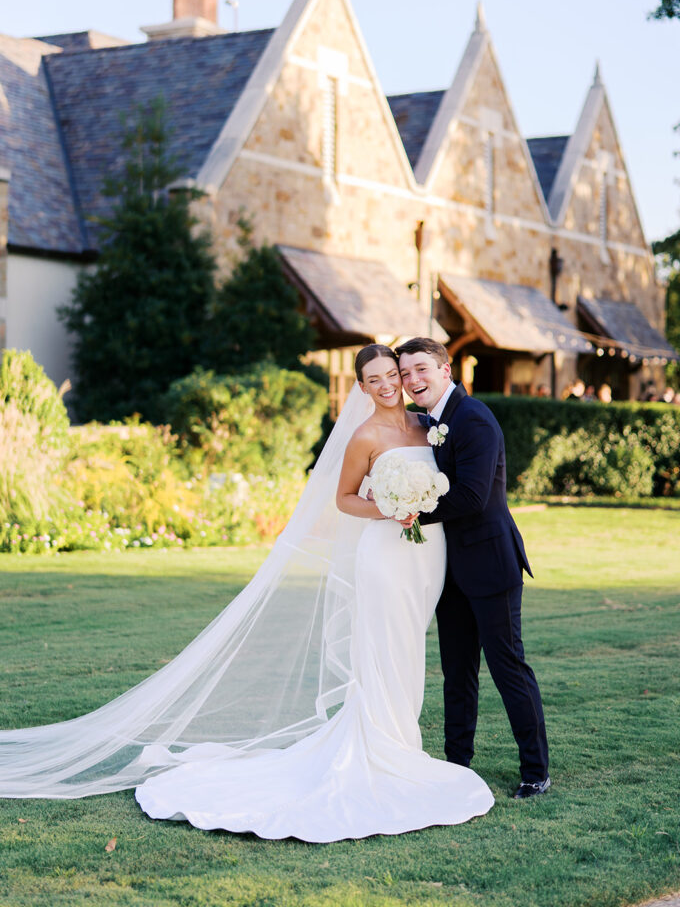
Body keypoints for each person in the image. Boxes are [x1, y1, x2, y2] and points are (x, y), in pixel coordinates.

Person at [0, 344, 493, 842]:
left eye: (393, 374)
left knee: (409, 649)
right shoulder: (365, 434)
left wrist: (416, 504)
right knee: (386, 649)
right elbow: (344, 499)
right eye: (376, 378)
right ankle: (388, 750)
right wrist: (387, 509)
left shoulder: (426, 426)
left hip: (426, 556)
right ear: (361, 387)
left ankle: (401, 743)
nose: (389, 384)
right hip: (385, 556)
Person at [396, 338, 550, 799]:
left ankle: (535, 771)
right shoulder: (431, 421)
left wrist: (414, 511)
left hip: (489, 562)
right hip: (450, 569)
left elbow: (473, 496)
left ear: (445, 368)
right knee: (456, 671)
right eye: (405, 374)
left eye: (420, 369)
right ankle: (457, 764)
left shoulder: (474, 417)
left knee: (507, 667)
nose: (412, 380)